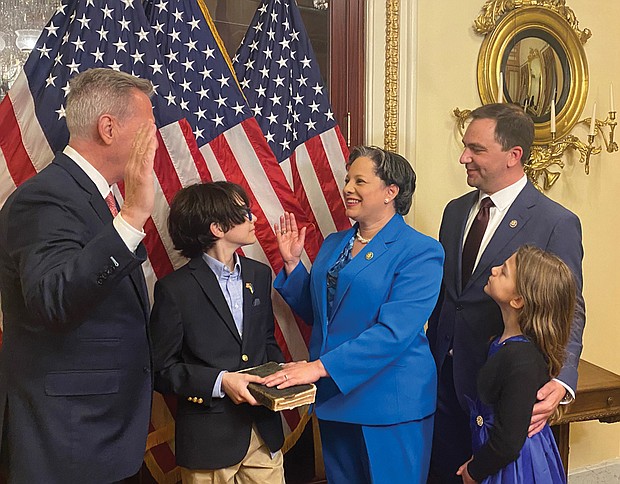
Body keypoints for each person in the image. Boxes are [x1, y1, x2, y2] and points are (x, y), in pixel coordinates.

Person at [0, 68, 157, 481]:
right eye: (148, 128)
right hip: (68, 438)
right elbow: (53, 300)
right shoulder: (46, 197)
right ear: (108, 128)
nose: (155, 141)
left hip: (97, 434)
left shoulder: (88, 196)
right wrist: (133, 216)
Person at [263, 146, 445, 483]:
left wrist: (317, 368)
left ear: (391, 191)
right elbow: (323, 315)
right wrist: (292, 265)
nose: (347, 188)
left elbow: (393, 334)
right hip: (335, 397)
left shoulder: (421, 251)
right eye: (348, 180)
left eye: (360, 181)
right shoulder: (334, 244)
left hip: (390, 405)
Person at [426, 103, 585, 483]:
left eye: (476, 149)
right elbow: (450, 297)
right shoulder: (454, 211)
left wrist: (562, 381)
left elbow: (571, 308)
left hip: (499, 392)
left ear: (514, 155)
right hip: (442, 382)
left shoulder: (555, 222)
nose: (464, 157)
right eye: (465, 146)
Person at [149, 181, 285, 484]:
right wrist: (221, 382)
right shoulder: (175, 290)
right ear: (218, 227)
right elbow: (162, 370)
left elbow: (265, 342)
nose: (255, 219)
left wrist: (282, 375)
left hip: (263, 433)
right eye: (245, 213)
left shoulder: (259, 274)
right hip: (207, 443)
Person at [457, 245, 574, 483]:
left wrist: (474, 471)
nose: (494, 269)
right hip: (499, 455)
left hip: (515, 468)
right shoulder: (503, 343)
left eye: (504, 272)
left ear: (518, 300)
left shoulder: (521, 359)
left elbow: (508, 442)